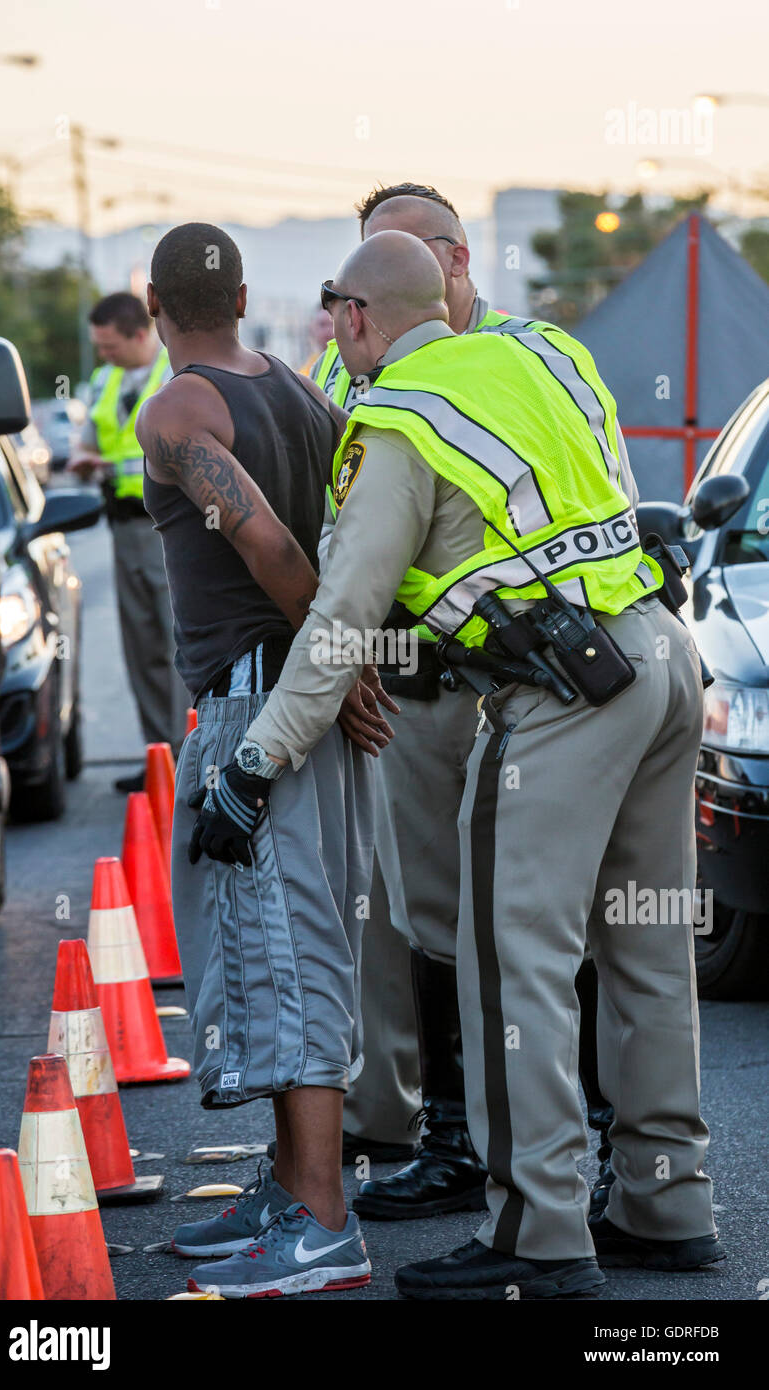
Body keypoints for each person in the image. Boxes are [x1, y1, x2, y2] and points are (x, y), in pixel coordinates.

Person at [213, 229, 720, 1300]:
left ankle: (538, 1234)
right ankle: (667, 1203)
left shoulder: (396, 418)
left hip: (559, 696)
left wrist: (254, 764)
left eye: (333, 309)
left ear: (356, 317)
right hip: (662, 655)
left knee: (510, 957)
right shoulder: (545, 355)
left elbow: (344, 621)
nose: (329, 331)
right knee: (646, 942)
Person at [317, 184, 612, 1222]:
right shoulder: (342, 364)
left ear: (447, 257)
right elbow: (340, 536)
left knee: (537, 931)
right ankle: (445, 1135)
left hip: (540, 683)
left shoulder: (538, 352)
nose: (357, 300)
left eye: (383, 259)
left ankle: (578, 1153)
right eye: (359, 265)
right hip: (414, 688)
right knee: (423, 921)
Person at [136, 222, 390, 1299]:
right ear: (242, 295)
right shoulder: (299, 387)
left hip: (260, 704)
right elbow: (346, 529)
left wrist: (335, 661)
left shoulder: (179, 409)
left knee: (288, 957)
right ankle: (293, 1191)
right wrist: (339, 664)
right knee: (295, 938)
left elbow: (276, 547)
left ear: (155, 307)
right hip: (301, 698)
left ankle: (323, 1228)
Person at [69, 292, 188, 790]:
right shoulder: (104, 379)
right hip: (121, 527)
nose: (104, 355)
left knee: (179, 646)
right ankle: (158, 756)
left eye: (110, 345)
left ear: (141, 334)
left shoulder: (175, 376)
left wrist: (108, 465)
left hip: (166, 527)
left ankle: (190, 756)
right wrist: (82, 455)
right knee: (140, 648)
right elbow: (91, 439)